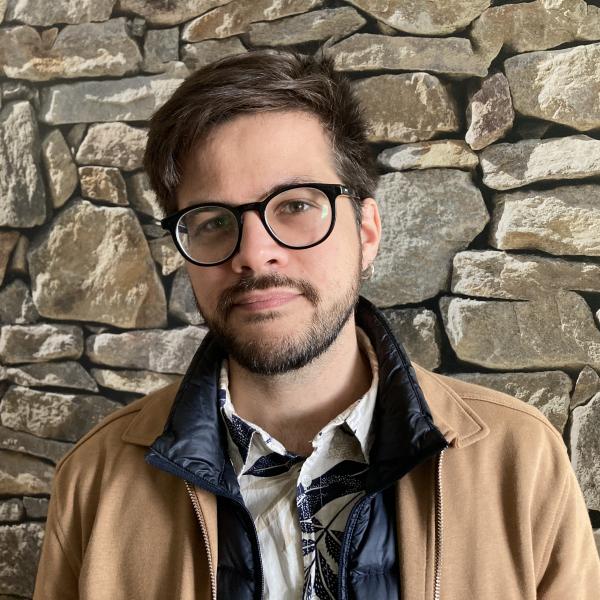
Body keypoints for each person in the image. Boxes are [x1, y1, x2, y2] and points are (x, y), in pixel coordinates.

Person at [34, 50, 599, 600]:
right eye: (211, 221)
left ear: (368, 231)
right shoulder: (94, 481)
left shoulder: (520, 462)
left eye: (297, 205)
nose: (254, 254)